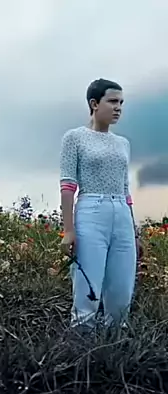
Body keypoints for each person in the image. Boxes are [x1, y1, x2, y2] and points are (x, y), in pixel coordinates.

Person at [59, 78, 140, 333]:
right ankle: (81, 350)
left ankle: (114, 350)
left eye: (121, 103)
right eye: (112, 101)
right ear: (94, 104)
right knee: (88, 291)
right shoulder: (75, 138)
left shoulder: (123, 143)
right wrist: (68, 230)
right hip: (91, 211)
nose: (118, 108)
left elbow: (125, 188)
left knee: (121, 293)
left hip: (122, 214)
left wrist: (134, 230)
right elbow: (67, 185)